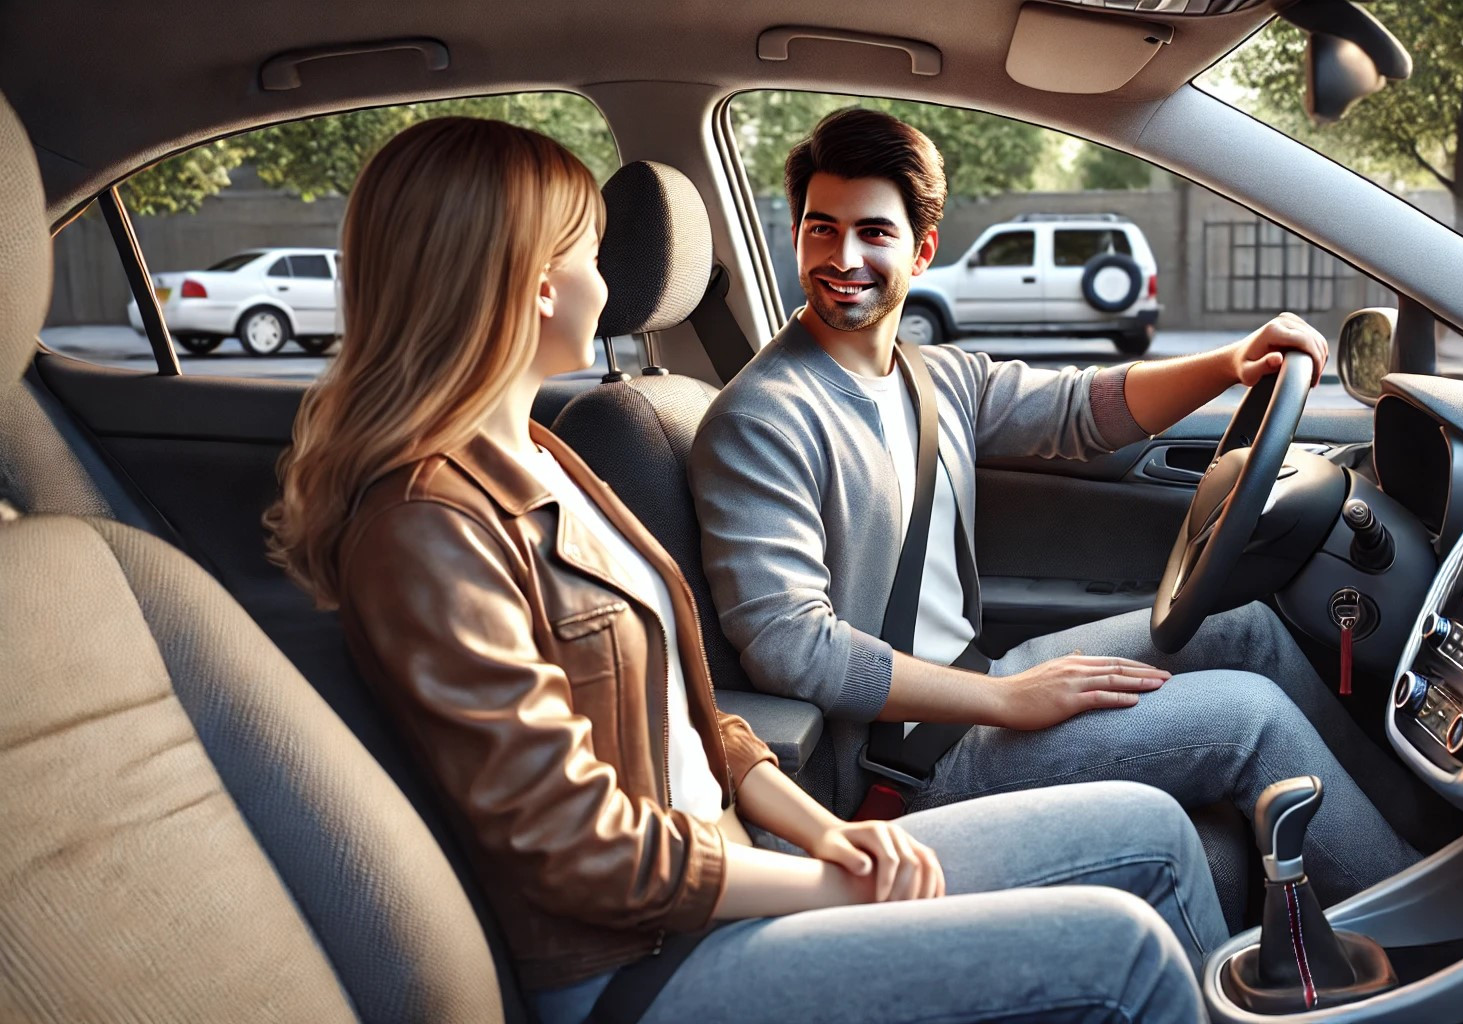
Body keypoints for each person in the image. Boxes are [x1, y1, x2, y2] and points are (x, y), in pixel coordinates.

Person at [265, 116, 1230, 1024]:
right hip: (638, 960)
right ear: (534, 282)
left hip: (728, 865)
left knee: (1154, 834)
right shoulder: (428, 526)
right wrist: (826, 881)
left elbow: (695, 711)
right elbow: (575, 848)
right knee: (1129, 951)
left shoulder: (549, 455)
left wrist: (821, 834)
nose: (611, 278)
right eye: (588, 251)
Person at [689, 108, 1422, 904]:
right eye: (820, 229)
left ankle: (1425, 851)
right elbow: (791, 647)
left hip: (974, 683)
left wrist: (1231, 364)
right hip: (900, 764)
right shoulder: (761, 418)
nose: (842, 257)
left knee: (1248, 630)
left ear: (922, 250)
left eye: (874, 232)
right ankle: (1434, 941)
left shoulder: (932, 377)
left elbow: (1083, 411)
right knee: (1247, 720)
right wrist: (1007, 701)